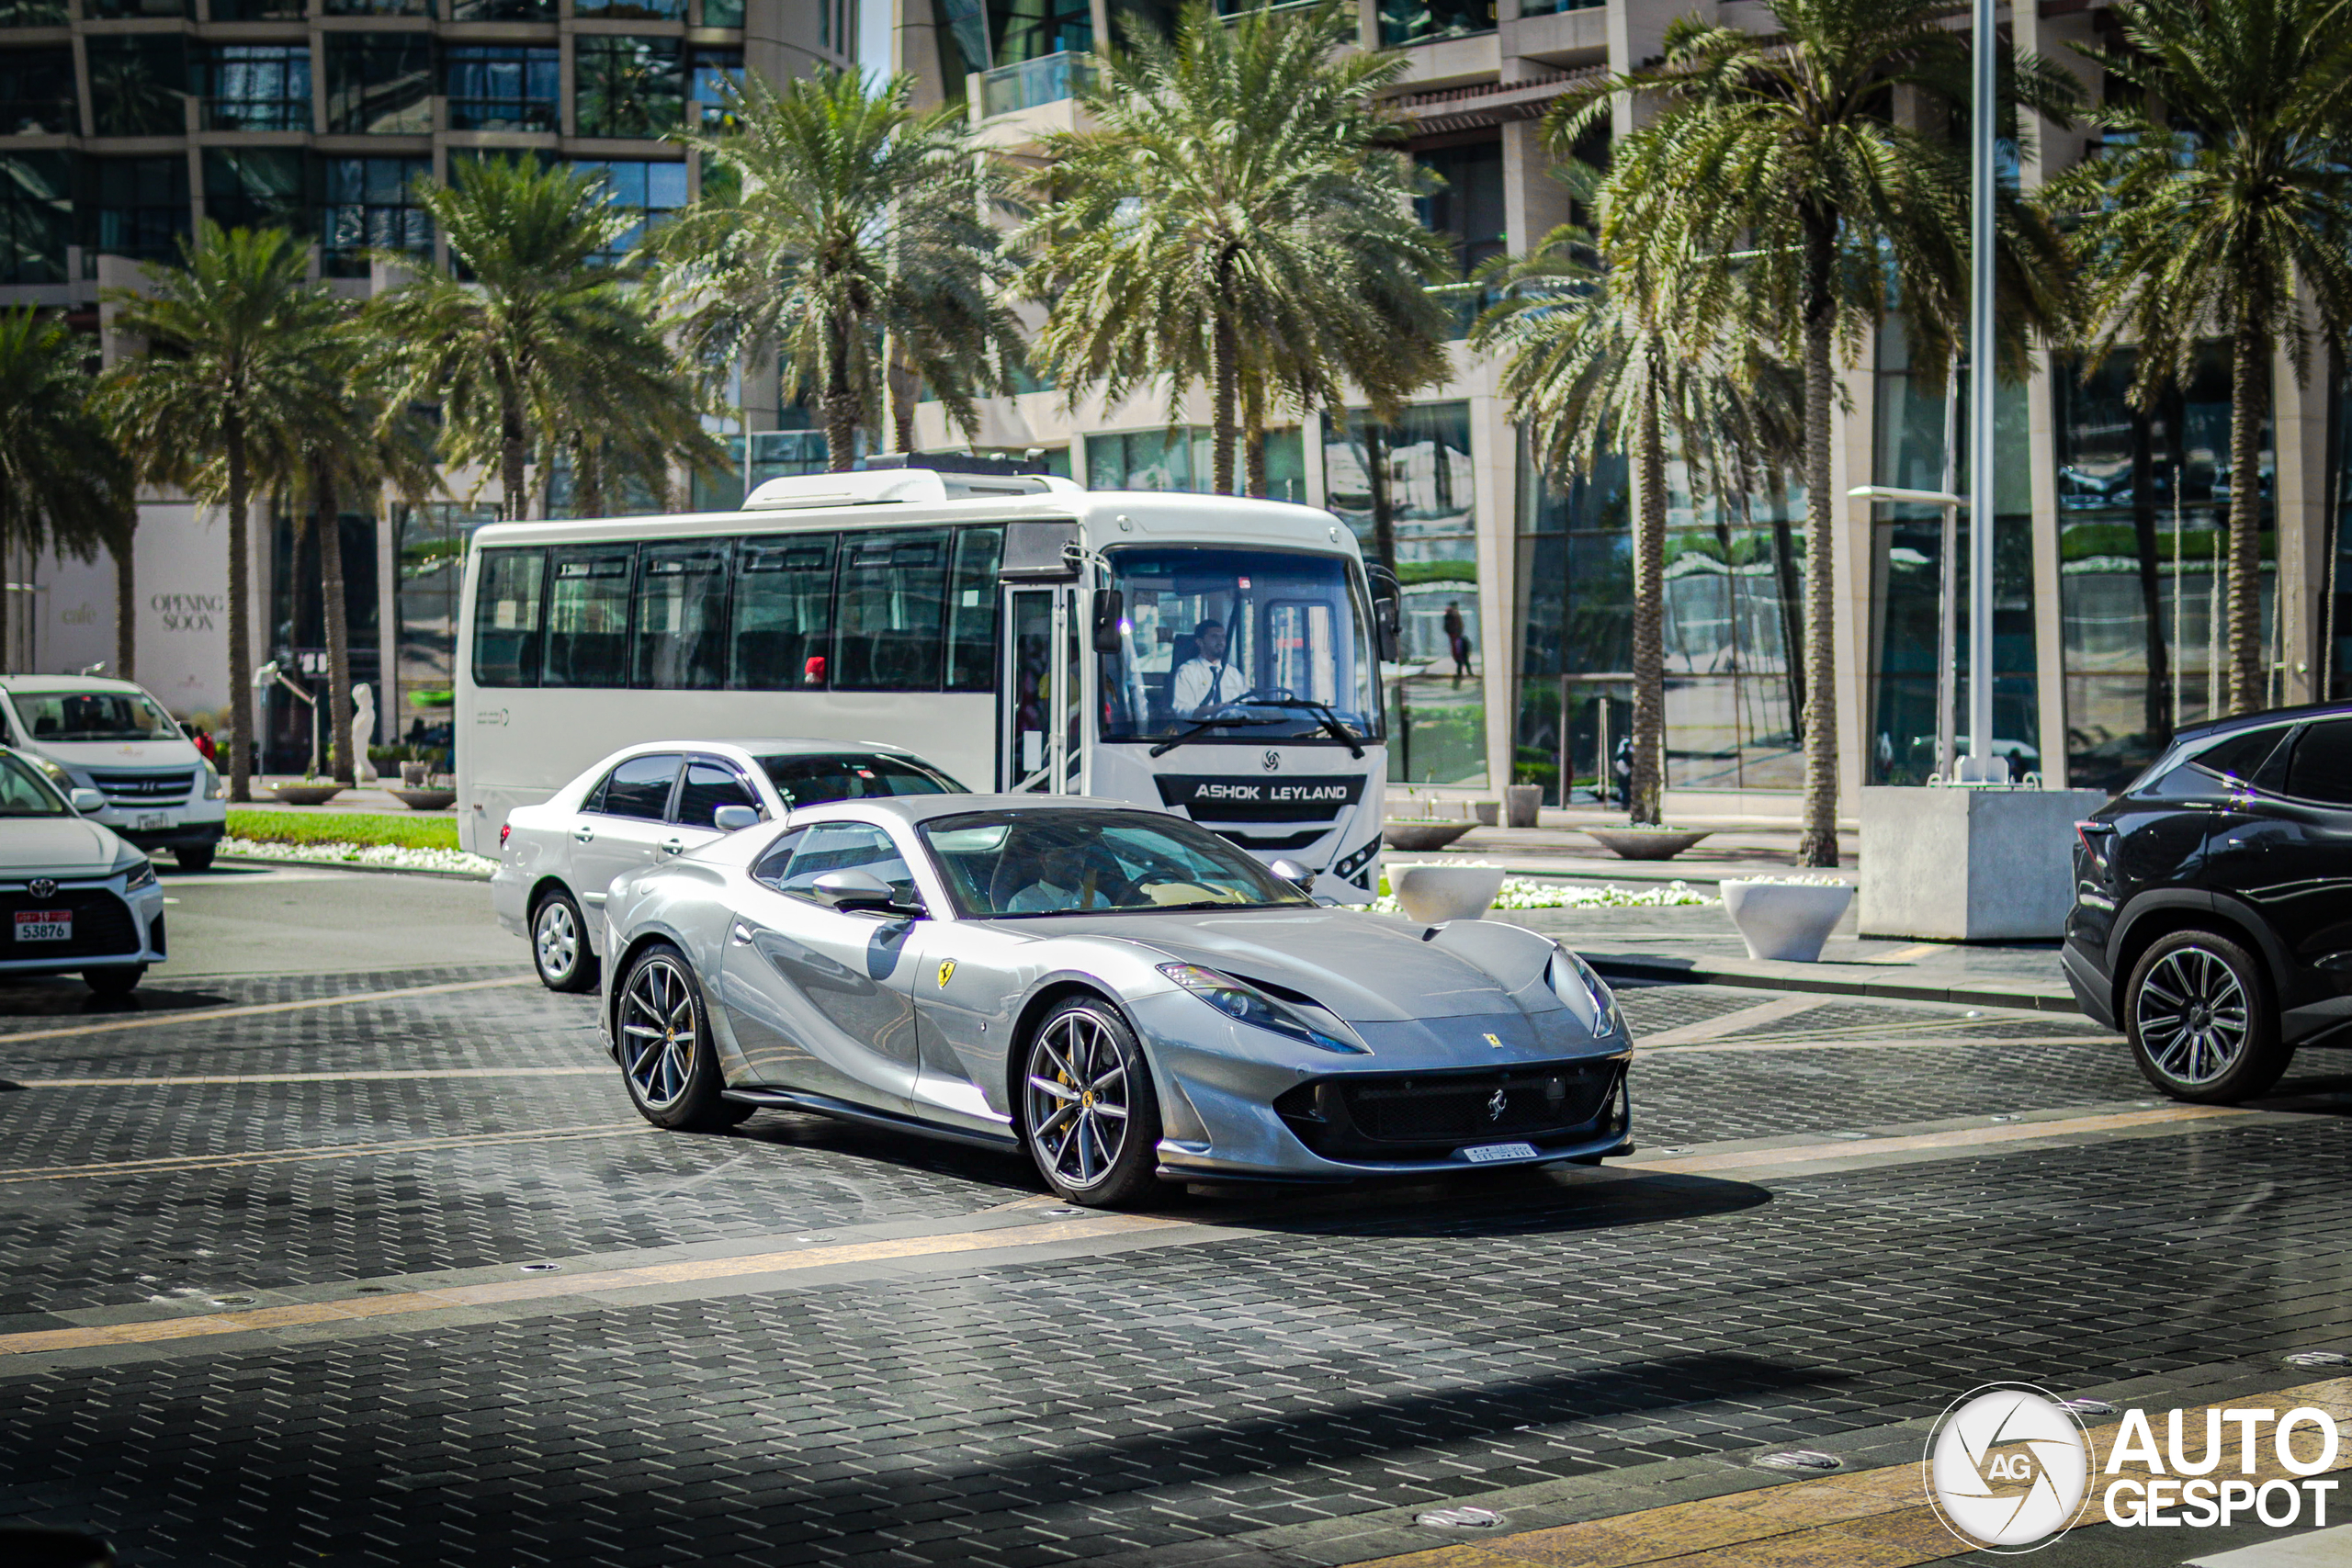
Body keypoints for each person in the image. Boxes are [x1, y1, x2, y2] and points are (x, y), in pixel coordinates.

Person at [1170, 619, 1250, 717]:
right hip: (1202, 729)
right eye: (1214, 636)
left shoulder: (1233, 673)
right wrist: (1211, 710)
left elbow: (1249, 703)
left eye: (1223, 637)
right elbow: (1183, 710)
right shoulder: (1187, 671)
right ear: (1200, 642)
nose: (1221, 642)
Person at [1442, 601, 1472, 683]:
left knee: (1461, 653)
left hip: (1456, 636)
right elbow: (1451, 626)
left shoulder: (1452, 614)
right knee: (1460, 653)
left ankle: (1462, 672)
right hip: (1455, 636)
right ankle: (1464, 671)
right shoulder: (1451, 614)